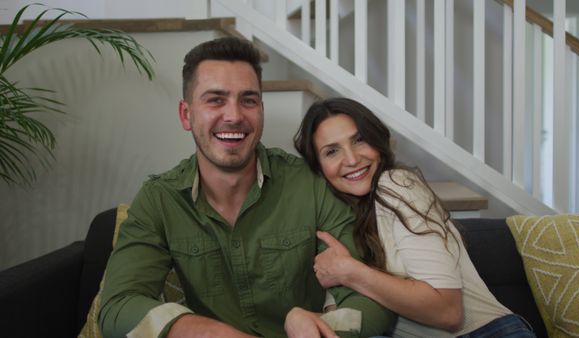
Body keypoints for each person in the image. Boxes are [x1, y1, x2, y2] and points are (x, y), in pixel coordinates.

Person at [98, 38, 395, 338]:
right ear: (186, 114)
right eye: (215, 99)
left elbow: (369, 302)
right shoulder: (159, 200)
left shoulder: (312, 185)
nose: (234, 116)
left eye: (248, 100)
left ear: (261, 109)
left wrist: (318, 327)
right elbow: (117, 308)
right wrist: (207, 332)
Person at [293, 97, 537, 338]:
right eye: (332, 151)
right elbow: (351, 314)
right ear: (318, 167)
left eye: (359, 140)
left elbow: (449, 313)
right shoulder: (338, 219)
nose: (352, 159)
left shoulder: (396, 185)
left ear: (377, 141)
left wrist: (350, 272)